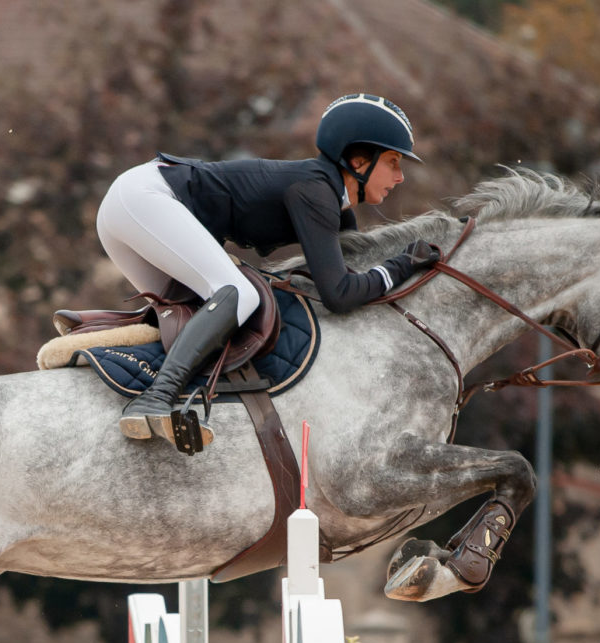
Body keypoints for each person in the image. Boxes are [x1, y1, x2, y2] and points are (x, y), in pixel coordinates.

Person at [88, 93, 441, 450]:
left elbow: (348, 280)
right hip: (146, 198)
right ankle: (156, 399)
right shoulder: (317, 190)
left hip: (127, 209)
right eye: (394, 162)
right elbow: (339, 294)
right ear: (358, 160)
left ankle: (148, 389)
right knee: (240, 294)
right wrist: (403, 263)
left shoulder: (331, 202)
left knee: (193, 316)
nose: (399, 177)